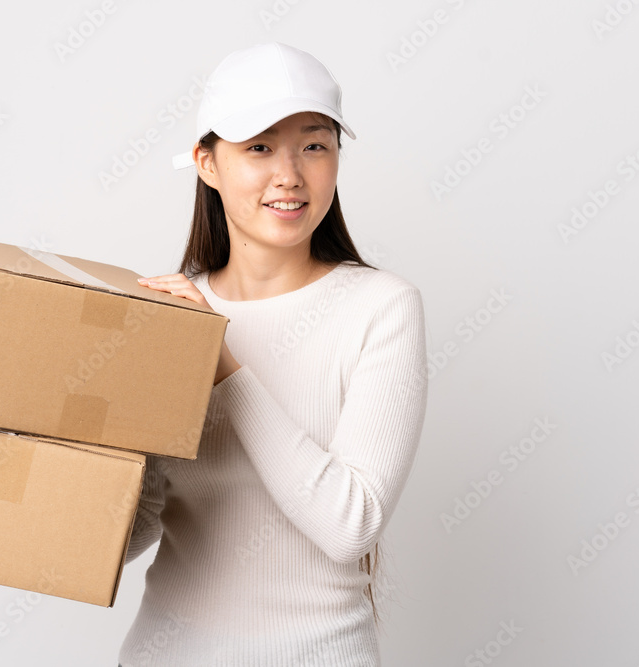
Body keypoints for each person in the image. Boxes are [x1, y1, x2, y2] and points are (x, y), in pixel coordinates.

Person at [118, 41, 429, 666]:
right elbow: (147, 515)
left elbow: (351, 525)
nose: (289, 174)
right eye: (258, 147)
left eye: (314, 145)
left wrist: (220, 360)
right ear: (207, 163)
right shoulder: (170, 310)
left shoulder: (381, 307)